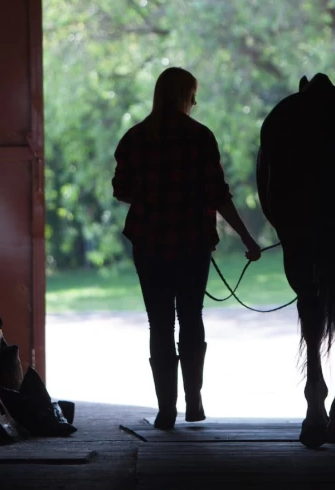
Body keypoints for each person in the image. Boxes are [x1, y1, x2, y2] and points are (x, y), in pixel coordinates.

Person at [112, 67, 262, 430]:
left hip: (150, 243)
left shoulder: (135, 137)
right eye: (192, 94)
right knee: (191, 317)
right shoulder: (200, 137)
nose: (195, 101)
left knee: (159, 323)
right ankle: (194, 403)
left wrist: (150, 197)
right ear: (183, 96)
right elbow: (218, 194)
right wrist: (246, 237)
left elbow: (120, 189)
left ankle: (166, 411)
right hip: (192, 243)